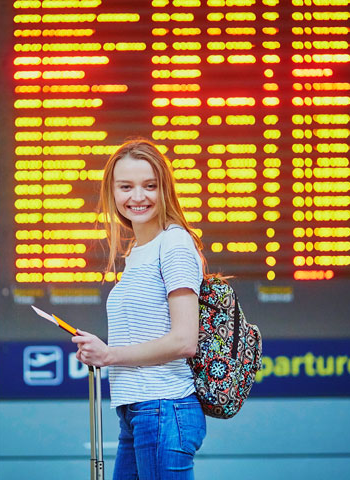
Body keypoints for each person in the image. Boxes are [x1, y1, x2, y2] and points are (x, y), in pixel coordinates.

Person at [72, 138, 207, 480]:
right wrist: (97, 350)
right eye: (126, 187)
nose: (137, 197)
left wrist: (109, 356)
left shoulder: (174, 244)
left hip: (164, 409)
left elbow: (183, 341)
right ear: (112, 193)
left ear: (165, 190)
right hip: (138, 411)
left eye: (150, 186)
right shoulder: (137, 252)